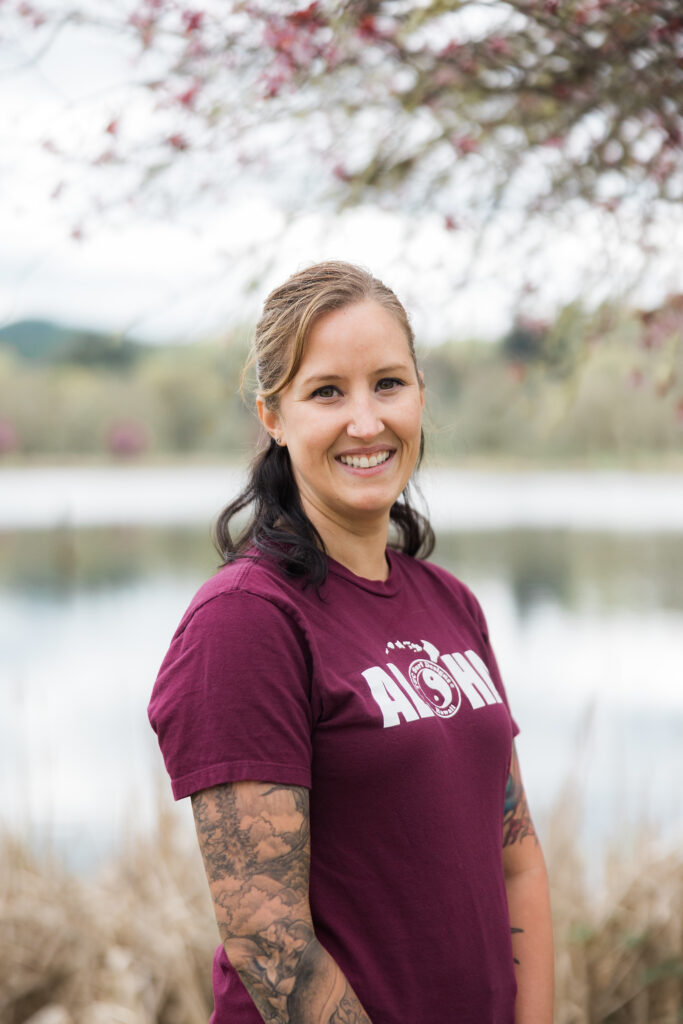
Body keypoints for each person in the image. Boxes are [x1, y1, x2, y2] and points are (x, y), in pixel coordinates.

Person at [148, 260, 554, 1024]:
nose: (365, 422)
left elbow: (515, 858)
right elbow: (268, 941)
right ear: (273, 415)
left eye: (388, 384)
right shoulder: (245, 622)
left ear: (421, 397)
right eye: (327, 391)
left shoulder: (450, 604)